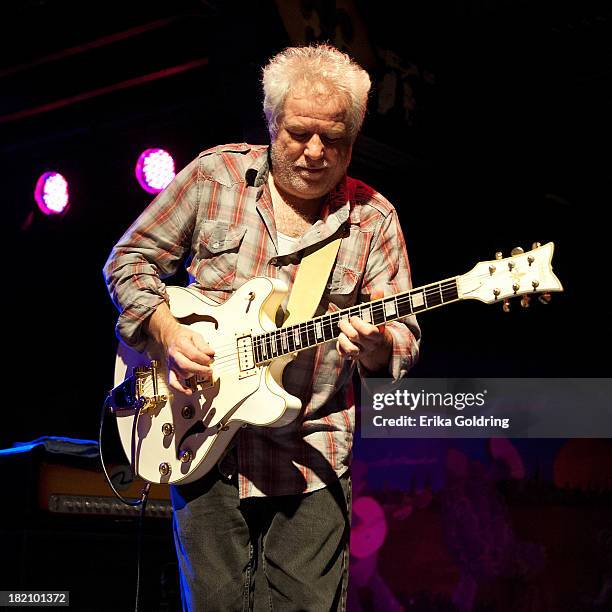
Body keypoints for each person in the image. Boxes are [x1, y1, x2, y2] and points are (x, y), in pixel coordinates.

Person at [104, 44, 420, 612]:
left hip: (311, 455)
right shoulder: (214, 177)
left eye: (337, 139)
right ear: (272, 123)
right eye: (300, 134)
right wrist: (169, 335)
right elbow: (128, 261)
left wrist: (377, 345)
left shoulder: (375, 219)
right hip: (199, 443)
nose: (317, 153)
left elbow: (403, 340)